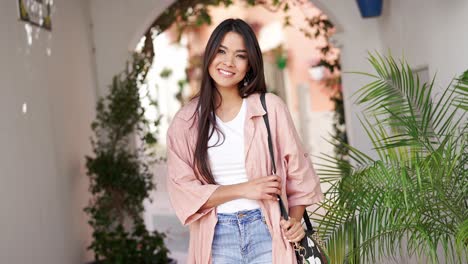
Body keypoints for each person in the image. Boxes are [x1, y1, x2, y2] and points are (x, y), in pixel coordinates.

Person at [166, 18, 323, 264]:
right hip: (216, 237)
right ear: (209, 55)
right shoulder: (186, 121)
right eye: (221, 51)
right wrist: (245, 189)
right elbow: (184, 191)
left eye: (240, 55)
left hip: (268, 231)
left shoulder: (270, 108)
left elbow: (300, 176)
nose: (228, 62)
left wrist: (294, 220)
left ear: (249, 64)